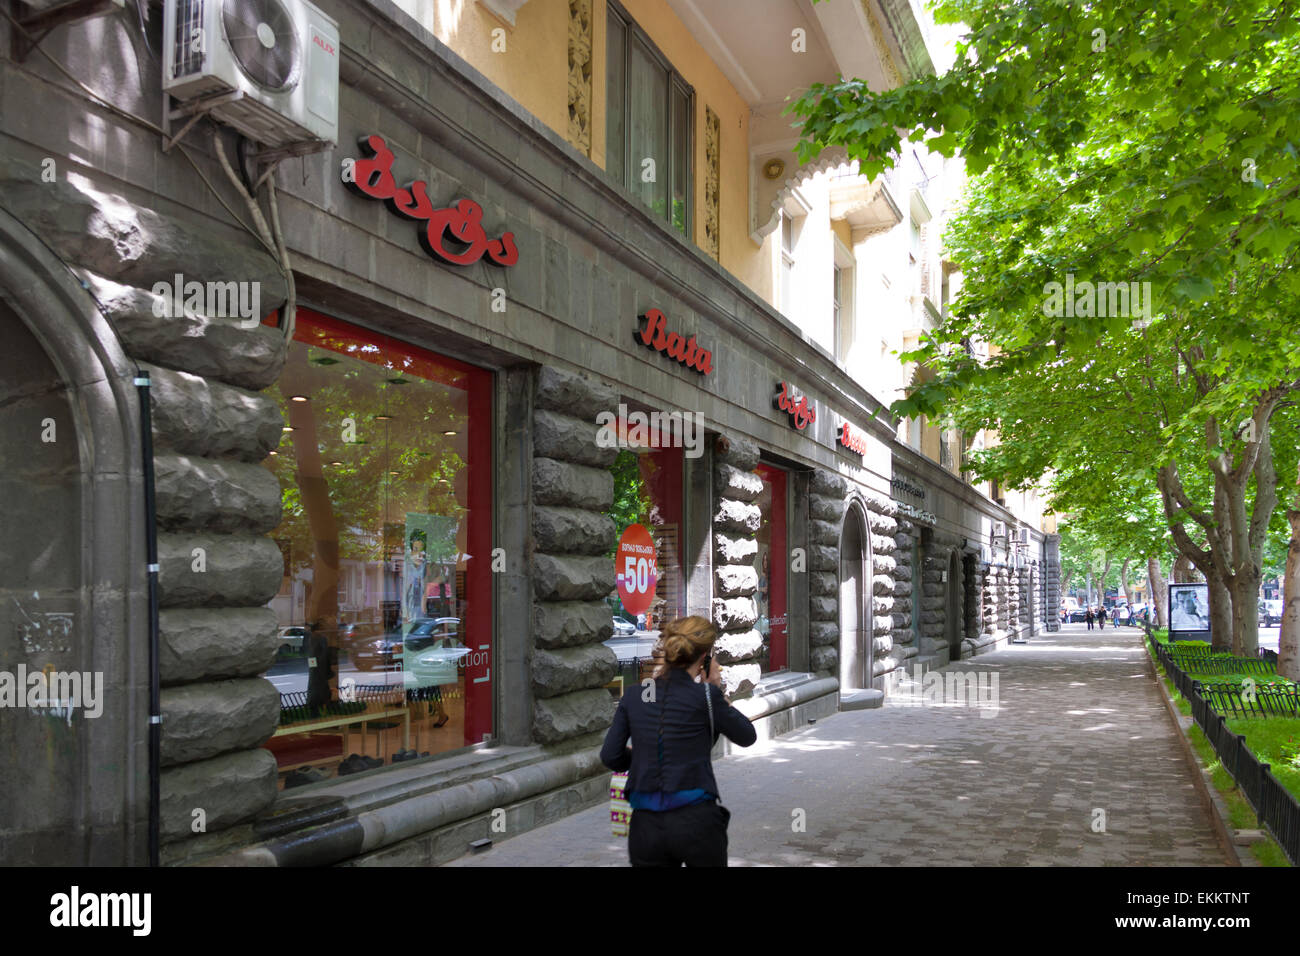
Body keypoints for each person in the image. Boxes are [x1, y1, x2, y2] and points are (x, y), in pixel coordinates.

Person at [600, 615, 757, 867]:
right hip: (697, 822)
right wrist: (717, 690)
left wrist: (641, 757)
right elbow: (747, 736)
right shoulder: (706, 696)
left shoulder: (635, 695)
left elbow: (610, 756)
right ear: (705, 656)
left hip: (646, 825)